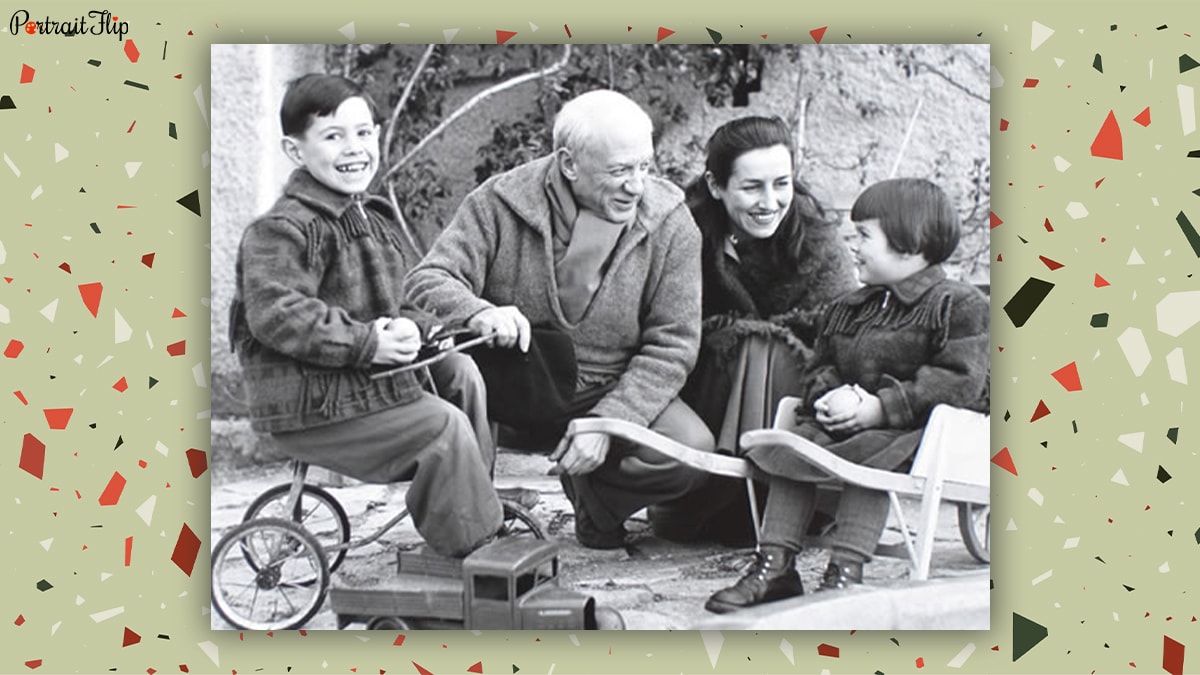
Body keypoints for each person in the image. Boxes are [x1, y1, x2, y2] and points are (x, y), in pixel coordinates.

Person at [404, 89, 715, 550]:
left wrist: (608, 422)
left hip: (610, 385)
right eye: (619, 171)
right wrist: (480, 312)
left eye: (644, 168)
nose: (636, 186)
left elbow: (673, 345)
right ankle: (473, 534)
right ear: (569, 163)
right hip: (513, 391)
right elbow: (426, 280)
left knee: (692, 453)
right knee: (461, 384)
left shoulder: (670, 222)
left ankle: (596, 500)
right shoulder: (499, 202)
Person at [228, 73, 506, 558]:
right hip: (311, 402)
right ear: (296, 152)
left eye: (363, 133)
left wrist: (421, 329)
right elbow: (278, 313)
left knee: (462, 372)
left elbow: (399, 304)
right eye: (333, 137)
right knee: (442, 425)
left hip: (353, 383)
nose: (354, 148)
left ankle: (471, 499)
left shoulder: (370, 219)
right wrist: (369, 343)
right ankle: (473, 545)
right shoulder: (280, 231)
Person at [705, 177, 990, 613]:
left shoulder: (956, 304)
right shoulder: (848, 308)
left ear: (908, 245)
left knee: (869, 451)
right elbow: (821, 365)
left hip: (915, 432)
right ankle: (775, 564)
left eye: (863, 235)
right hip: (852, 425)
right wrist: (831, 395)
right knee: (795, 443)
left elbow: (961, 379)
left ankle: (846, 571)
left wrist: (882, 407)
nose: (851, 244)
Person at [656, 116, 857, 544]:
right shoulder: (685, 233)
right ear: (716, 185)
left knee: (765, 345)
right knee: (750, 343)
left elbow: (841, 333)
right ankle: (714, 495)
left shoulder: (817, 242)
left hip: (794, 393)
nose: (770, 201)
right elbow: (664, 327)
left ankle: (779, 499)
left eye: (781, 184)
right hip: (705, 385)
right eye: (752, 187)